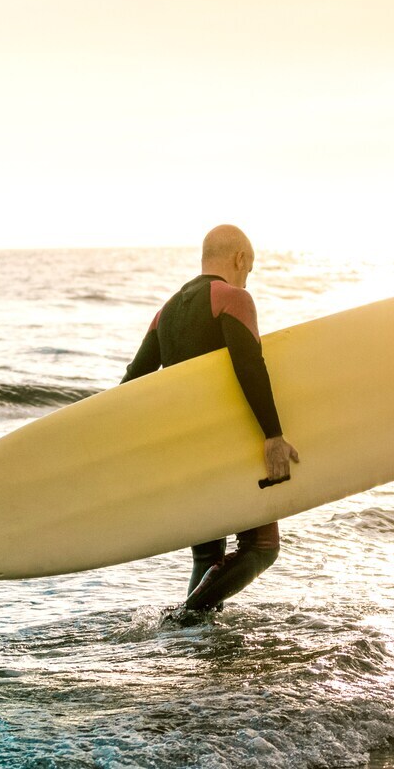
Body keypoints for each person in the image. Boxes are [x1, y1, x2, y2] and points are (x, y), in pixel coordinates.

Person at [121, 224, 300, 619]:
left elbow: (132, 383)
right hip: (229, 448)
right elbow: (249, 366)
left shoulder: (165, 311)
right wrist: (273, 434)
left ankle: (193, 642)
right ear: (239, 259)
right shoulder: (232, 298)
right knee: (263, 547)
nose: (246, 277)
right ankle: (186, 617)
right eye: (248, 269)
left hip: (187, 453)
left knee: (207, 554)